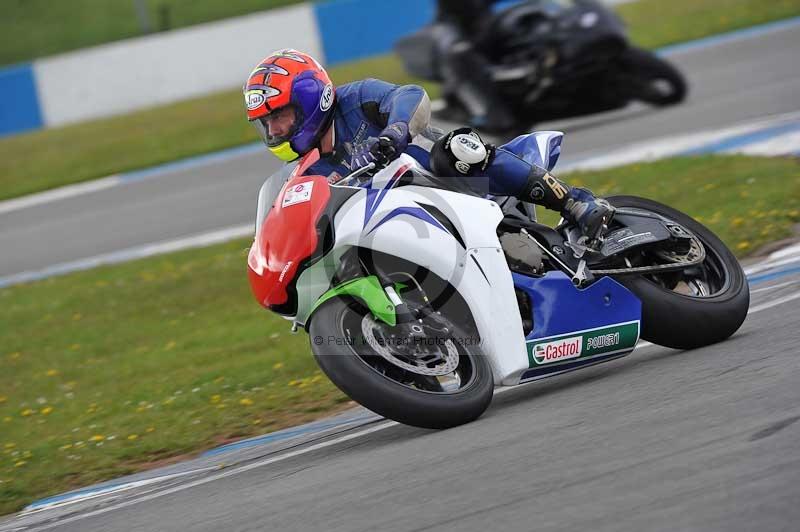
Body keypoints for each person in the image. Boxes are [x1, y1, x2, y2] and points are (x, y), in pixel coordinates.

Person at [243, 49, 614, 239]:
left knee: (458, 151)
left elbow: (411, 96)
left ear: (309, 100)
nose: (274, 129)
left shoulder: (356, 98)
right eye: (267, 123)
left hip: (456, 182)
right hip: (409, 221)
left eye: (279, 116)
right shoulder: (310, 171)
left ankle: (575, 202)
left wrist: (395, 131)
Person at [434, 0, 516, 133]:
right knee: (462, 55)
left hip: (489, 30)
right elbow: (447, 26)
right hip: (465, 38)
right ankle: (497, 118)